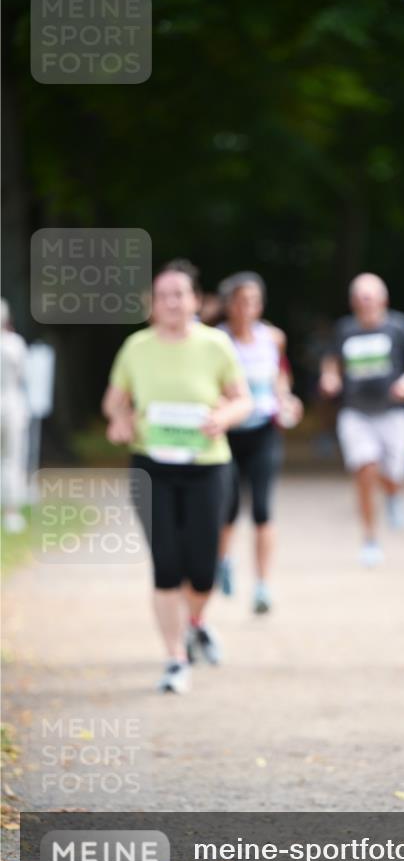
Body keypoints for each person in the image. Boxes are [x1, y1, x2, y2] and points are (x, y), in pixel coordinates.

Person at [102, 260, 252, 694]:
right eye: (163, 295)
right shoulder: (136, 347)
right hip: (152, 468)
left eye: (179, 294)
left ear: (196, 301)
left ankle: (196, 622)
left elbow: (242, 400)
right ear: (152, 304)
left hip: (207, 467)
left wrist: (223, 416)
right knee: (166, 564)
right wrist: (121, 420)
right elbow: (114, 403)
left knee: (202, 570)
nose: (171, 302)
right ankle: (174, 658)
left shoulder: (216, 345)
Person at [321, 273, 404, 566]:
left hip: (394, 414)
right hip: (356, 414)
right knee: (365, 469)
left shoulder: (398, 326)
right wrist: (330, 377)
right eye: (360, 298)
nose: (365, 303)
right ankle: (370, 540)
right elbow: (331, 360)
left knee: (392, 474)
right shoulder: (345, 329)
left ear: (383, 299)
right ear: (353, 302)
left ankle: (395, 493)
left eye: (370, 297)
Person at [215, 271, 303, 614]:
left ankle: (263, 585)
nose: (247, 307)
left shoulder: (273, 338)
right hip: (227, 433)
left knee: (263, 508)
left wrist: (286, 399)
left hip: (264, 430)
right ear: (229, 305)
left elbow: (281, 376)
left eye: (253, 301)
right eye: (240, 301)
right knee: (228, 507)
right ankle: (223, 562)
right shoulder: (216, 340)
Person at [0, 299, 30, 533]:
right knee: (13, 458)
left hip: (10, 403)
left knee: (12, 457)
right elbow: (22, 375)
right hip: (12, 403)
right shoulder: (15, 343)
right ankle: (12, 511)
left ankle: (11, 509)